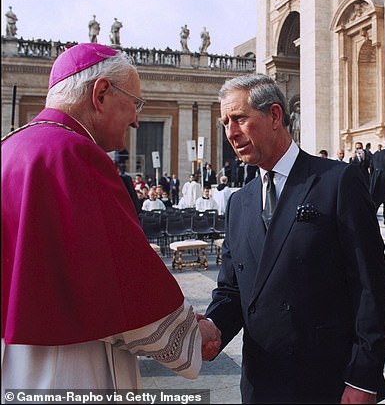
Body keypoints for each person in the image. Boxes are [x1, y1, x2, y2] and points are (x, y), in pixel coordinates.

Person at [1, 43, 220, 391]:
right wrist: (193, 334)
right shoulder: (76, 154)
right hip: (73, 366)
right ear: (101, 93)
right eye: (135, 104)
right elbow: (123, 278)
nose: (136, 120)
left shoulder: (8, 148)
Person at [203, 73, 385, 403]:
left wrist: (364, 377)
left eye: (239, 119)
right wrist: (212, 327)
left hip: (326, 382)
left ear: (275, 116)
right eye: (225, 122)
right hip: (261, 383)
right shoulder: (238, 203)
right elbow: (233, 288)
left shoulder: (337, 181)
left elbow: (368, 285)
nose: (231, 133)